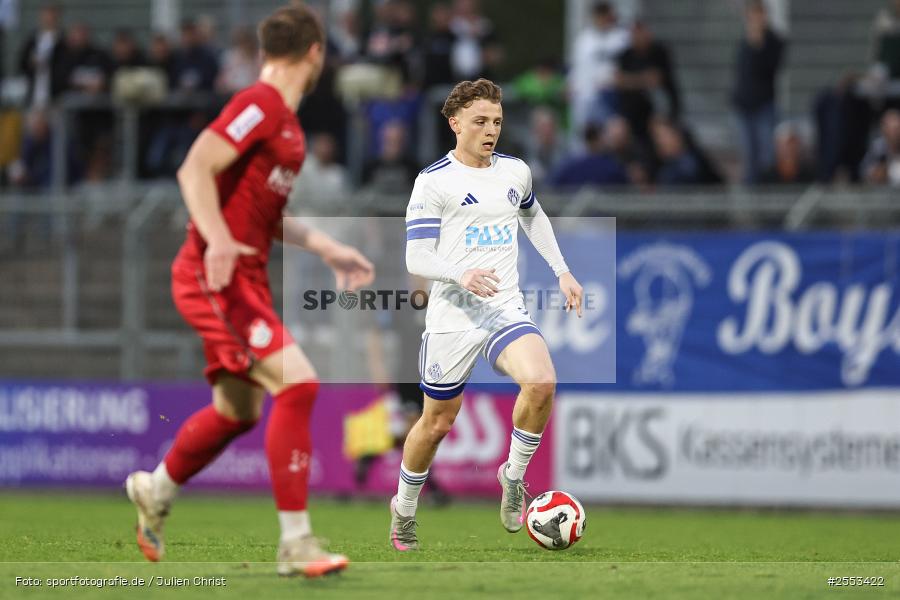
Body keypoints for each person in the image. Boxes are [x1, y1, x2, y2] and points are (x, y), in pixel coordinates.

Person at [124, 5, 375, 577]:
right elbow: (194, 168)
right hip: (217, 275)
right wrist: (214, 239)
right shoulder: (259, 105)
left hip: (245, 275)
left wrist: (328, 247)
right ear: (315, 52)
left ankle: (155, 489)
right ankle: (297, 543)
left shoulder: (285, 122)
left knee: (237, 411)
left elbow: (263, 217)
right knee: (299, 383)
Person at [389, 78, 584, 550]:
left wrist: (562, 271)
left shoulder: (515, 172)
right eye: (479, 121)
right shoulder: (433, 181)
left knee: (541, 382)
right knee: (436, 423)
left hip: (502, 306)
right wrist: (460, 274)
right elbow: (417, 257)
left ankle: (512, 477)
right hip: (453, 315)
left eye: (496, 121)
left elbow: (532, 216)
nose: (490, 130)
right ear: (455, 124)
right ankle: (404, 509)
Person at [731, 0, 786, 184]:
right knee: (749, 158)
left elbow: (769, 69)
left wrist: (759, 44)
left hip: (764, 106)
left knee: (766, 157)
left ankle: (768, 195)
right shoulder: (743, 42)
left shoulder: (774, 42)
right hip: (744, 106)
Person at [568, 1, 630, 137]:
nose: (603, 20)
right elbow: (576, 67)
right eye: (600, 16)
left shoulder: (622, 38)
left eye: (605, 16)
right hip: (584, 96)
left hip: (609, 96)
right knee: (584, 135)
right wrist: (571, 83)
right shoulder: (584, 40)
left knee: (609, 135)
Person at [614, 19, 681, 143]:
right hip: (631, 112)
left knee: (664, 135)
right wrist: (642, 80)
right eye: (634, 34)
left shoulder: (659, 52)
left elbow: (656, 79)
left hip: (657, 110)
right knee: (617, 132)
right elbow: (618, 81)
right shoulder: (625, 55)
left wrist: (630, 81)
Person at [862, 109, 900, 186]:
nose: (894, 133)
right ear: (884, 129)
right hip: (882, 192)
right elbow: (864, 172)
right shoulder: (877, 148)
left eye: (896, 129)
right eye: (890, 129)